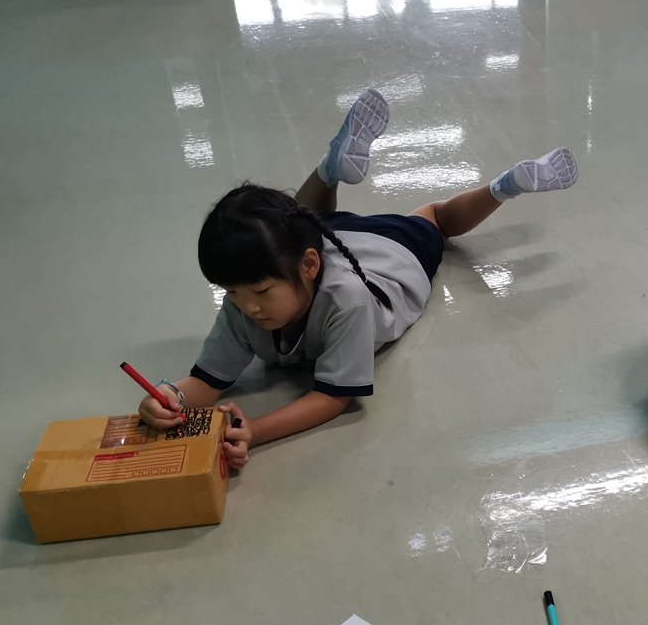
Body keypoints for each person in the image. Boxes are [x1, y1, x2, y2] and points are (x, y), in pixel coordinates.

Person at [136, 88, 578, 469]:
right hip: (335, 238)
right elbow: (207, 381)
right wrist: (166, 396)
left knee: (436, 218)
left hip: (393, 255)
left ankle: (505, 185)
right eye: (231, 292)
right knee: (301, 222)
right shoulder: (253, 291)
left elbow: (332, 398)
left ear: (308, 268)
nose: (248, 306)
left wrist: (257, 429)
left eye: (261, 292)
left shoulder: (347, 301)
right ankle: (329, 169)